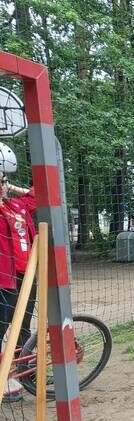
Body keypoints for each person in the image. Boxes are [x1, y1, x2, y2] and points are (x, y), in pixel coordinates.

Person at [0, 142, 36, 402]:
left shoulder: (15, 206)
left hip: (27, 275)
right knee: (3, 326)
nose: (2, 185)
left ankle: (23, 372)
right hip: (5, 278)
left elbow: (38, 196)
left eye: (3, 181)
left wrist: (9, 187)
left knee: (24, 326)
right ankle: (4, 379)